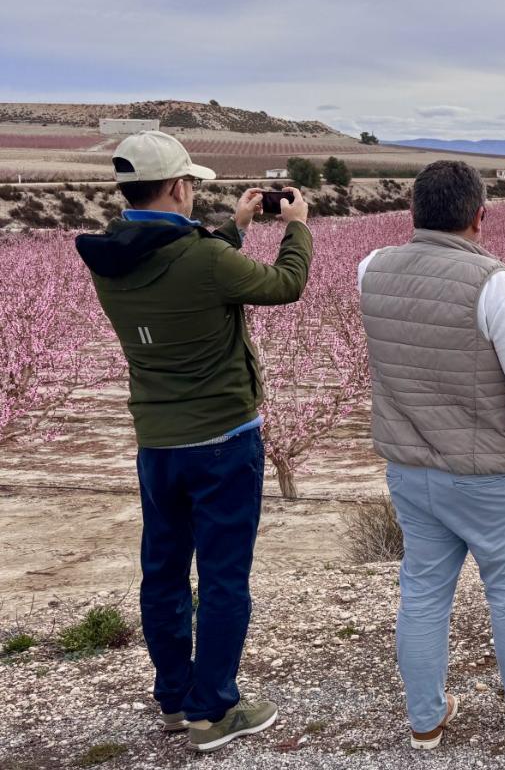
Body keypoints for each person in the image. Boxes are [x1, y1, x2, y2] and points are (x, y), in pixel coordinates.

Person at [74, 130, 312, 752]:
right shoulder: (204, 258)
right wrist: (297, 228)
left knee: (163, 571)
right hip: (223, 440)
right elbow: (283, 285)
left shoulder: (107, 258)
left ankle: (177, 697)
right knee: (225, 575)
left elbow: (185, 275)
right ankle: (215, 710)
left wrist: (231, 228)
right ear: (180, 186)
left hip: (157, 442)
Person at [358, 160, 505, 750]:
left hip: (410, 468)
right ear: (481, 215)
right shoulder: (496, 287)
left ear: (414, 213)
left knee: (423, 590)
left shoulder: (370, 270)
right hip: (488, 475)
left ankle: (426, 718)